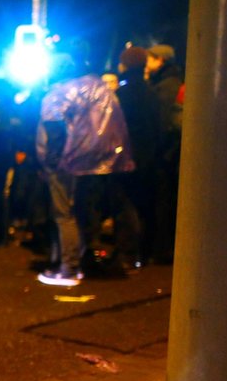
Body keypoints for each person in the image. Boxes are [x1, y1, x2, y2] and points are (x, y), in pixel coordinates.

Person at [36, 49, 134, 287]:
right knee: (84, 211)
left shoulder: (58, 93)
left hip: (66, 162)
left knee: (64, 214)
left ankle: (68, 268)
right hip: (99, 162)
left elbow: (54, 131)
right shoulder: (98, 86)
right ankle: (86, 257)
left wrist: (50, 163)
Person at [116, 46, 161, 268]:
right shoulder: (151, 92)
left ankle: (129, 251)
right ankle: (145, 251)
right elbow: (157, 126)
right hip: (148, 155)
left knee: (126, 202)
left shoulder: (123, 95)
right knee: (145, 204)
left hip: (128, 156)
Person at [145, 43, 183, 264]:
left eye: (151, 58)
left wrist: (157, 152)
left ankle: (161, 248)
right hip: (168, 153)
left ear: (161, 61)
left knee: (162, 201)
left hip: (165, 155)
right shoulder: (168, 82)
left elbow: (162, 124)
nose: (148, 63)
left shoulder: (166, 86)